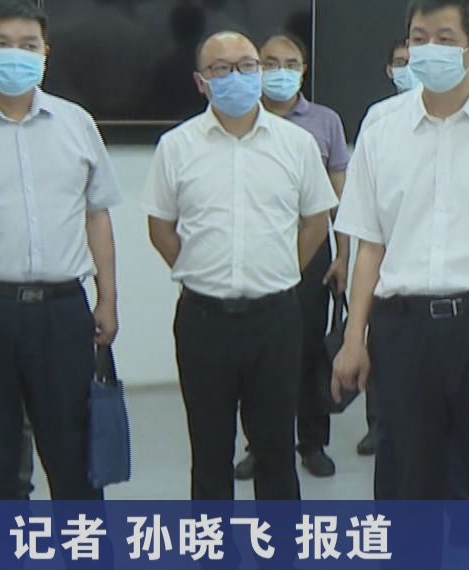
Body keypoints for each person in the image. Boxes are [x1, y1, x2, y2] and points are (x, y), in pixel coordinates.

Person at [332, 0, 469, 500]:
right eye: (418, 37)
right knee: (405, 483)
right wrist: (353, 338)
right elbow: (370, 248)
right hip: (403, 331)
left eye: (444, 38)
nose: (427, 49)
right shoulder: (380, 135)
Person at [0, 0, 120, 500]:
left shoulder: (76, 123)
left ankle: (83, 550)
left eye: (27, 44)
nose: (15, 54)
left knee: (75, 456)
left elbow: (97, 215)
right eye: (0, 43)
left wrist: (108, 298)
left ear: (45, 52)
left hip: (61, 311)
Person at [145, 31, 338, 500]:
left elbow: (316, 221)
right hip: (203, 319)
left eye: (248, 66)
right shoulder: (176, 145)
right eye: (221, 68)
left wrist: (282, 269)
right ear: (201, 82)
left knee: (276, 452)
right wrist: (199, 268)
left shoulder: (296, 144)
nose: (237, 76)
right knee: (209, 452)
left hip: (275, 319)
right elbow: (160, 227)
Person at [224, 32, 351, 482]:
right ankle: (259, 446)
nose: (280, 72)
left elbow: (340, 197)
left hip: (311, 251)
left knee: (309, 350)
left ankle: (312, 442)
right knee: (254, 355)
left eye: (290, 63)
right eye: (270, 63)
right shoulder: (238, 119)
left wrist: (344, 255)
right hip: (256, 252)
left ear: (304, 69)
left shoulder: (325, 122)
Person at [348, 39, 420, 459]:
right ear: (389, 70)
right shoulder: (379, 118)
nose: (409, 67)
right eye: (400, 62)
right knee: (380, 340)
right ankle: (378, 422)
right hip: (386, 252)